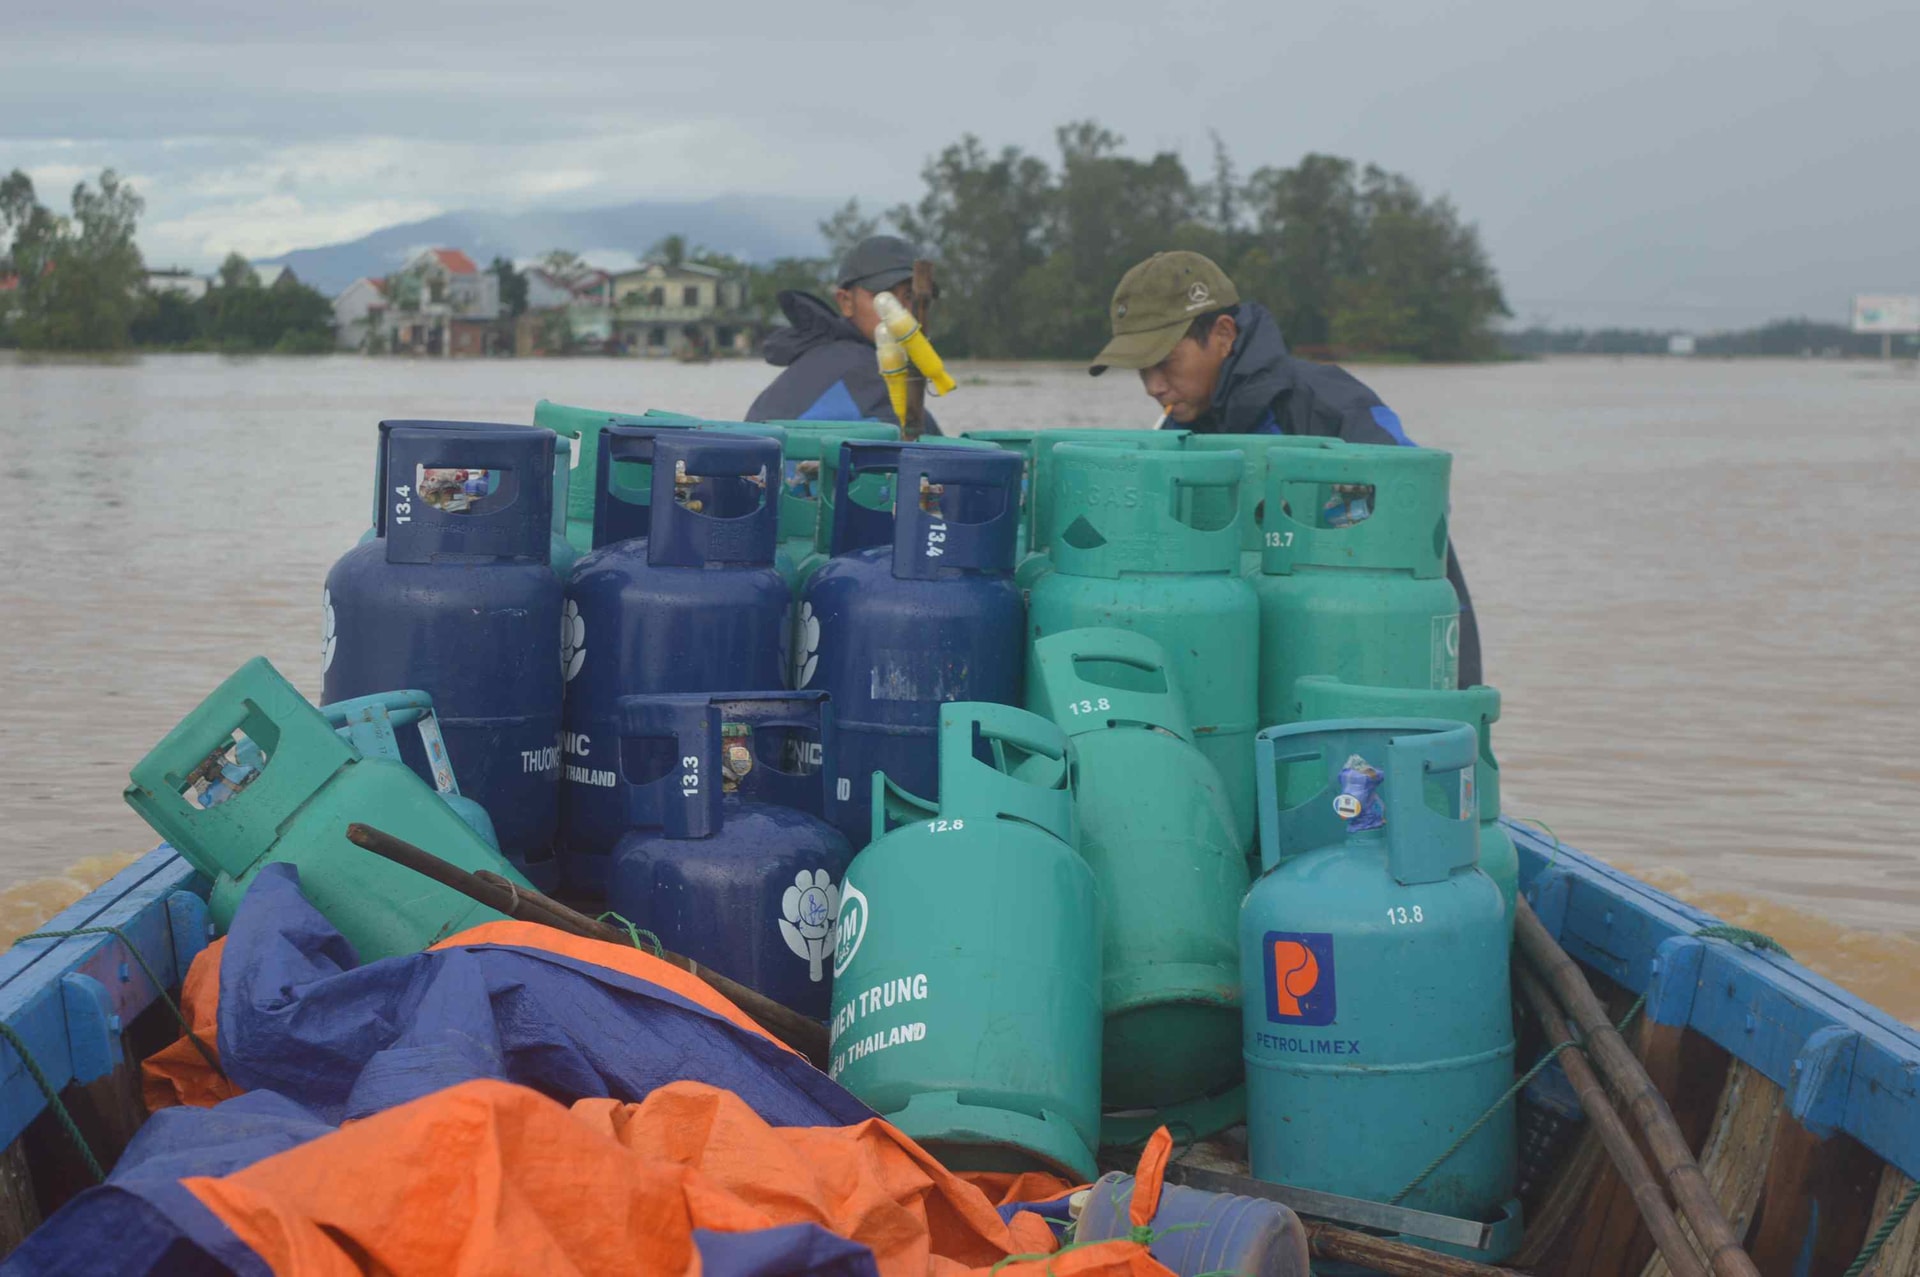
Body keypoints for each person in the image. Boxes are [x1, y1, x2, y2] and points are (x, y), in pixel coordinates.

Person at [1090, 250, 1482, 686]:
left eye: (1165, 362)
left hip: (1384, 653)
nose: (1153, 386)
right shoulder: (1173, 434)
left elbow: (1413, 496)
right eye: (1142, 369)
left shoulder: (1329, 406)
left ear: (1222, 334)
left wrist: (1302, 527)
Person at [745, 235, 940, 433]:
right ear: (846, 302)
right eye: (884, 297)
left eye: (910, 296)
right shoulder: (870, 373)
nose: (902, 311)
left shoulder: (827, 356)